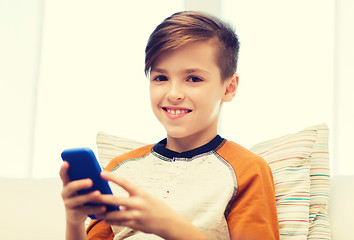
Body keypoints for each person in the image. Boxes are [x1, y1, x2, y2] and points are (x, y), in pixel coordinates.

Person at [60, 11, 279, 240]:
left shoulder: (247, 170)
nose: (173, 94)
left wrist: (170, 226)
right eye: (161, 78)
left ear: (229, 88)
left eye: (194, 79)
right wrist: (73, 221)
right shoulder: (120, 169)